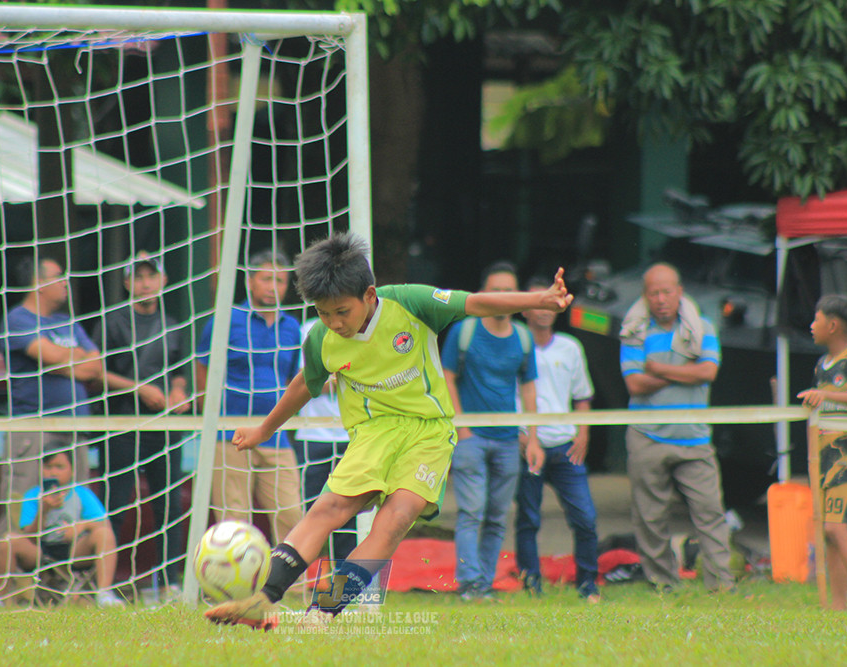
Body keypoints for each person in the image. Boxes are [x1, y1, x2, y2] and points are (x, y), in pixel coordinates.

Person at [204, 233, 572, 629]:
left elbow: (475, 303)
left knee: (395, 518)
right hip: (372, 434)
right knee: (328, 510)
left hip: (428, 434)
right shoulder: (323, 339)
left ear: (369, 294)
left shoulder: (410, 303)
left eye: (342, 311)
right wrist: (263, 430)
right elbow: (303, 385)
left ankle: (323, 612)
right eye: (323, 313)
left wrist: (540, 299)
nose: (335, 323)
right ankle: (261, 600)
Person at [619, 262, 734, 593]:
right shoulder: (634, 330)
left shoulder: (704, 326)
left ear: (679, 292)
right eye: (653, 293)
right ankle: (662, 585)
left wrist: (658, 369)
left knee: (710, 512)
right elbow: (635, 384)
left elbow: (708, 372)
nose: (660, 299)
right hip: (646, 436)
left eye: (667, 292)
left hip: (694, 438)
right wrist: (685, 370)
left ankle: (721, 586)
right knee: (650, 517)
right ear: (645, 296)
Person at [441, 261, 543, 601]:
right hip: (471, 437)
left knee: (498, 517)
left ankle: (484, 584)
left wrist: (533, 437)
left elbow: (528, 388)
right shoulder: (464, 331)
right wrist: (462, 428)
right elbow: (447, 379)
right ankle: (469, 583)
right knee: (472, 512)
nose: (502, 297)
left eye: (508, 291)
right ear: (483, 293)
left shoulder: (523, 337)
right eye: (495, 290)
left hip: (508, 440)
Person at [93, 251, 190, 597]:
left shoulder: (172, 325)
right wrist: (139, 389)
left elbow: (180, 371)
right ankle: (104, 586)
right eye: (138, 277)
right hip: (121, 424)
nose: (145, 283)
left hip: (164, 427)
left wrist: (178, 391)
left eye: (151, 276)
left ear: (163, 281)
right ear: (126, 283)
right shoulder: (111, 322)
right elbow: (96, 373)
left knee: (169, 505)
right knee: (116, 503)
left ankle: (168, 583)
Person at [195, 249, 302, 545]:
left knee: (291, 512)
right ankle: (234, 576)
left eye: (280, 281)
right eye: (266, 279)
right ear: (250, 282)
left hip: (275, 434)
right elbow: (202, 368)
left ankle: (288, 574)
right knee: (234, 518)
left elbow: (291, 379)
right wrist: (211, 417)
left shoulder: (292, 327)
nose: (273, 287)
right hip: (231, 434)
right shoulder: (226, 319)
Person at [0, 257, 102, 547]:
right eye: (59, 276)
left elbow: (96, 366)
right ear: (39, 283)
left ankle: (68, 574)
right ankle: (13, 574)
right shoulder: (18, 319)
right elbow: (50, 356)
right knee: (21, 510)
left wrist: (58, 362)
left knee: (75, 510)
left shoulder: (67, 322)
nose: (66, 282)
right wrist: (70, 359)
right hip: (34, 430)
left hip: (74, 430)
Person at [516, 276, 600, 602]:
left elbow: (583, 396)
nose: (544, 309)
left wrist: (584, 433)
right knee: (528, 519)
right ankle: (531, 585)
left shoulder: (571, 347)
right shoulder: (515, 345)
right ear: (524, 308)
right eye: (537, 301)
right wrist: (520, 435)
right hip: (527, 447)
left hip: (566, 447)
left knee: (585, 518)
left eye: (550, 302)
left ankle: (588, 585)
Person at [0, 447, 123, 607]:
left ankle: (104, 594)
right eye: (48, 467)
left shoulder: (82, 494)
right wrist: (44, 510)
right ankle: (1, 599)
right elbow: (29, 535)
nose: (53, 472)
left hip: (74, 549)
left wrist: (80, 526)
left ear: (72, 470)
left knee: (104, 534)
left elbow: (104, 523)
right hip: (41, 550)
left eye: (59, 467)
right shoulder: (33, 495)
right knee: (8, 541)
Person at [796, 294, 847, 610]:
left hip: (845, 453)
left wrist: (826, 395)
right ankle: (839, 605)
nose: (811, 325)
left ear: (832, 325)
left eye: (816, 319)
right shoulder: (821, 365)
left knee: (835, 526)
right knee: (829, 531)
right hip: (824, 455)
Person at [293, 316, 355, 562]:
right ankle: (309, 577)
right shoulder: (309, 329)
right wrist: (349, 377)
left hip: (354, 436)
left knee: (349, 520)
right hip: (313, 436)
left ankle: (343, 580)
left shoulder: (364, 328)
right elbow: (307, 380)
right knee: (312, 515)